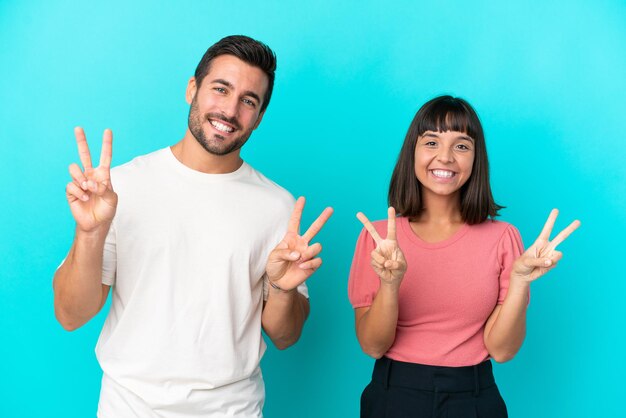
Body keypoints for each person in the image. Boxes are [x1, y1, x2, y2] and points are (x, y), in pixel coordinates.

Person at [54, 35, 333, 417]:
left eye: (248, 101)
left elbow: (286, 337)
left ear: (259, 116)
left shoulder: (278, 207)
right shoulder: (121, 187)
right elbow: (71, 315)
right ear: (192, 88)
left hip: (232, 409)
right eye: (221, 89)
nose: (230, 110)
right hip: (128, 406)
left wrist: (283, 291)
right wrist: (89, 233)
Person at [348, 96, 579, 417]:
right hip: (394, 395)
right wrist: (390, 284)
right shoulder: (378, 238)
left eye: (461, 146)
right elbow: (373, 346)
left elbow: (502, 350)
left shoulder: (503, 238)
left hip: (473, 397)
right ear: (411, 153)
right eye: (431, 142)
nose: (445, 157)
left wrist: (520, 281)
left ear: (475, 159)